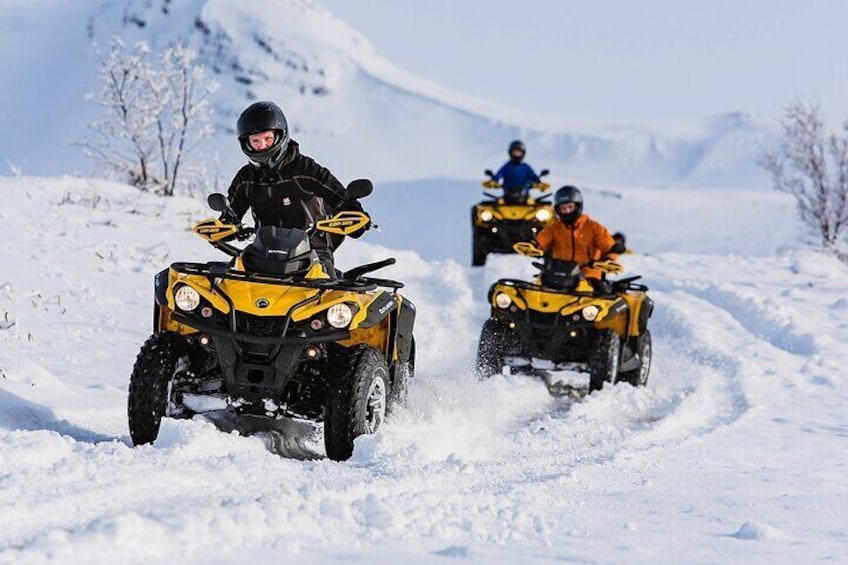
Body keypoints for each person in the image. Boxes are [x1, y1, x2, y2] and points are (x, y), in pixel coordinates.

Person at [224, 101, 363, 273]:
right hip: (263, 254)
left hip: (311, 252)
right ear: (246, 143)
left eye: (267, 138)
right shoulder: (246, 178)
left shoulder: (305, 169)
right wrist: (225, 227)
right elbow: (230, 215)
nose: (262, 146)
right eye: (256, 141)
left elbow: (340, 196)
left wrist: (354, 214)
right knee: (229, 283)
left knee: (328, 294)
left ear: (280, 135)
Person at [533, 185, 622, 291]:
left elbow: (609, 247)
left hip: (588, 275)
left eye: (570, 207)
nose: (567, 211)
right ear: (558, 210)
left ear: (577, 206)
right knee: (537, 291)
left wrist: (608, 259)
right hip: (557, 274)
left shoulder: (594, 227)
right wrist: (534, 245)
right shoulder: (554, 228)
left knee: (601, 298)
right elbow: (542, 238)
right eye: (563, 208)